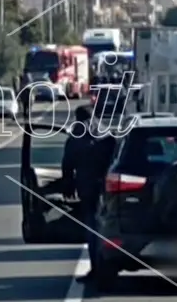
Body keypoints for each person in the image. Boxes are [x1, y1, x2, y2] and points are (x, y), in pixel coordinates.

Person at [63, 105, 121, 284]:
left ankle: (97, 268)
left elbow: (68, 163)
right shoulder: (106, 134)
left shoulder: (77, 136)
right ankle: (107, 264)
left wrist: (68, 185)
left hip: (87, 186)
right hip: (108, 187)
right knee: (106, 226)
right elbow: (117, 158)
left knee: (92, 227)